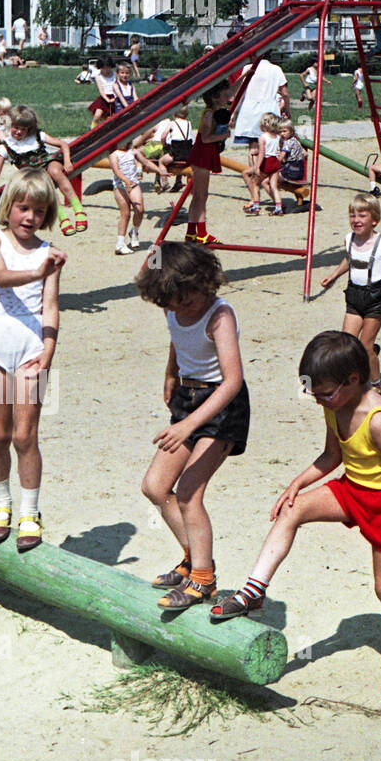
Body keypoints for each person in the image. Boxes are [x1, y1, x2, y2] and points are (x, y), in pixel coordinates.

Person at [210, 331, 381, 702]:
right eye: (314, 392)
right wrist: (297, 483)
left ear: (353, 379)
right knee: (292, 509)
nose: (318, 399)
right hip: (350, 489)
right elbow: (332, 456)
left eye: (324, 392)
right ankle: (253, 592)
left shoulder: (379, 420)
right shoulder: (333, 405)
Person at [136, 241, 250, 610]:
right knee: (155, 487)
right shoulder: (172, 302)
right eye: (171, 304)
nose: (180, 308)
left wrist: (189, 426)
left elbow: (232, 380)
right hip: (187, 397)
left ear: (204, 283)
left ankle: (203, 580)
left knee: (188, 492)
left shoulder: (220, 315)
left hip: (222, 406)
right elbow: (176, 337)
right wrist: (171, 373)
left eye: (186, 300)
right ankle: (192, 559)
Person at [0, 171, 67, 554]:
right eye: (23, 207)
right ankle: (1, 504)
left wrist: (48, 352)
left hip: (31, 348)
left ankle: (30, 511)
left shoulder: (49, 253)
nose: (30, 217)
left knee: (24, 435)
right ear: (9, 206)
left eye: (39, 211)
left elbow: (50, 306)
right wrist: (36, 271)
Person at [321, 194, 381, 381]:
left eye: (362, 215)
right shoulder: (349, 239)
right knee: (347, 344)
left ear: (374, 220)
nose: (356, 220)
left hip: (375, 297)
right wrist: (334, 275)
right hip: (353, 294)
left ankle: (375, 383)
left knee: (365, 347)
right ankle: (355, 378)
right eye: (353, 215)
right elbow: (349, 259)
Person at [0, 104, 84, 235]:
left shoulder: (37, 136)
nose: (19, 132)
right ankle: (63, 218)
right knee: (46, 183)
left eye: (24, 129)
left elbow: (62, 144)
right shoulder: (5, 147)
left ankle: (78, 210)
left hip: (48, 161)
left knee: (55, 172)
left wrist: (67, 161)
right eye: (16, 127)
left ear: (29, 129)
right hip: (34, 173)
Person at [185, 80, 233, 245]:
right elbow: (205, 138)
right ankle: (202, 233)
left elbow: (233, 90)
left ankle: (192, 232)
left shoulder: (213, 111)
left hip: (204, 154)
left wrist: (245, 76)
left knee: (198, 195)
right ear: (215, 96)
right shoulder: (209, 113)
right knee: (201, 196)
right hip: (202, 154)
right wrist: (224, 136)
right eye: (225, 94)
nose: (228, 97)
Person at [231, 49, 290, 170]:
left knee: (253, 148)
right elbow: (285, 93)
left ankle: (254, 172)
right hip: (270, 111)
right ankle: (265, 172)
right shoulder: (276, 69)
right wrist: (287, 109)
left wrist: (233, 112)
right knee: (270, 146)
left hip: (250, 110)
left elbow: (239, 93)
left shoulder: (249, 68)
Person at [108, 136, 156, 255]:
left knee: (139, 210)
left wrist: (160, 171)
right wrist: (125, 180)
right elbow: (116, 170)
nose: (124, 144)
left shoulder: (132, 152)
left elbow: (146, 162)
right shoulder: (114, 154)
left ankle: (134, 232)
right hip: (120, 186)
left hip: (133, 185)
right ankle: (120, 243)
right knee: (125, 214)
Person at [86, 54, 119, 127]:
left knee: (111, 117)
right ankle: (93, 129)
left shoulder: (114, 75)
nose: (106, 70)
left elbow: (118, 87)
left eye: (108, 68)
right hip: (103, 98)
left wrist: (115, 98)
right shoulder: (98, 76)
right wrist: (107, 99)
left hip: (114, 97)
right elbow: (101, 90)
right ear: (100, 67)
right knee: (97, 115)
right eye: (104, 68)